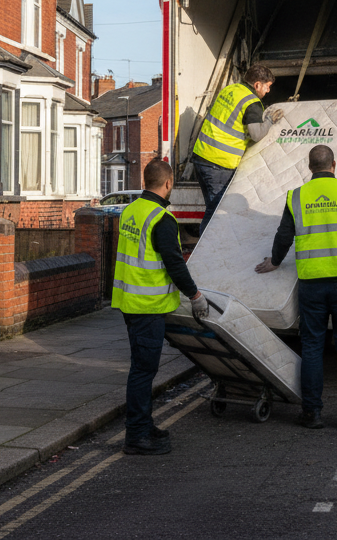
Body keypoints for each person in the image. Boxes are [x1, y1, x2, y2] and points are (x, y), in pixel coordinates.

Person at [254, 145, 337, 430]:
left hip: (312, 284)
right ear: (333, 165)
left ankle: (311, 413)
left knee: (312, 347)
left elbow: (284, 235)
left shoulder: (297, 197)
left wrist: (274, 261)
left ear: (309, 167)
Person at [112, 159, 209, 455]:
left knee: (142, 369)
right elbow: (174, 264)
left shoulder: (131, 211)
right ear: (167, 184)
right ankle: (137, 436)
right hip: (147, 306)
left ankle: (142, 424)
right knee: (143, 371)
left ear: (146, 181)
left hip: (130, 302)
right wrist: (195, 296)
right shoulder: (161, 218)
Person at [192, 65, 282, 234]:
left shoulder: (230, 90)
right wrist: (269, 121)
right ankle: (208, 252)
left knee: (212, 209)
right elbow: (256, 134)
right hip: (219, 163)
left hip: (201, 156)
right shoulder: (252, 103)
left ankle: (208, 249)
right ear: (257, 85)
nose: (268, 90)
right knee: (216, 215)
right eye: (267, 86)